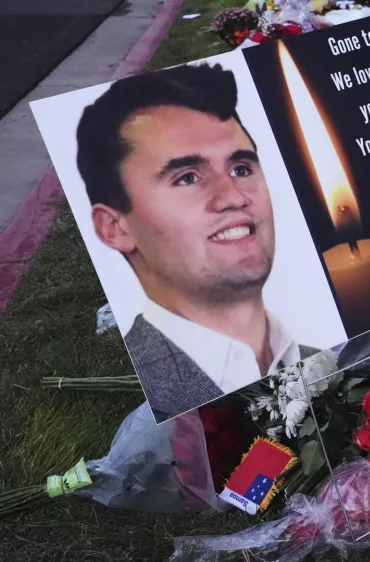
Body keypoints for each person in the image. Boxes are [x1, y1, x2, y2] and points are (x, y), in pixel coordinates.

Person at [78, 63, 314, 423]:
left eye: (241, 169)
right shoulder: (166, 404)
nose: (233, 197)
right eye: (187, 177)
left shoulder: (323, 354)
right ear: (115, 227)